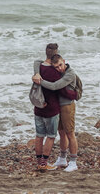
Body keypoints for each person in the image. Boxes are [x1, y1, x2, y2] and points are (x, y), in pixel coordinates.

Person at [33, 53, 79, 172]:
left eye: (60, 65)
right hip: (59, 106)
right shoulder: (59, 71)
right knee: (62, 133)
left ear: (64, 61)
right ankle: (63, 158)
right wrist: (36, 72)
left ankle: (73, 162)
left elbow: (54, 86)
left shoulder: (70, 74)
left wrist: (39, 80)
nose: (59, 68)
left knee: (70, 133)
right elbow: (38, 61)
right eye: (56, 67)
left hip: (68, 106)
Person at [32, 43, 61, 171]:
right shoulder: (55, 71)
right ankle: (44, 164)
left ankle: (39, 162)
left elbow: (37, 61)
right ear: (56, 53)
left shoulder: (39, 68)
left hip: (38, 107)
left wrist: (36, 74)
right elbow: (59, 89)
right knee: (50, 136)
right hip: (51, 108)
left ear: (46, 52)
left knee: (39, 135)